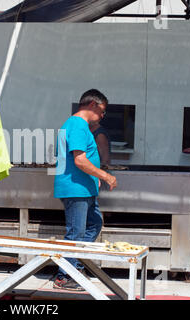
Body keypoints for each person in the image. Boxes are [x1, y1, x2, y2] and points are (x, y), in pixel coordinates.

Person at [53, 89, 117, 291]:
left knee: (94, 224)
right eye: (102, 111)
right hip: (76, 189)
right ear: (93, 105)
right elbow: (80, 160)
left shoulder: (76, 125)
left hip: (84, 188)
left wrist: (93, 177)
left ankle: (74, 265)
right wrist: (104, 175)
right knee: (76, 233)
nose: (102, 116)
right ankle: (64, 276)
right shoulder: (78, 125)